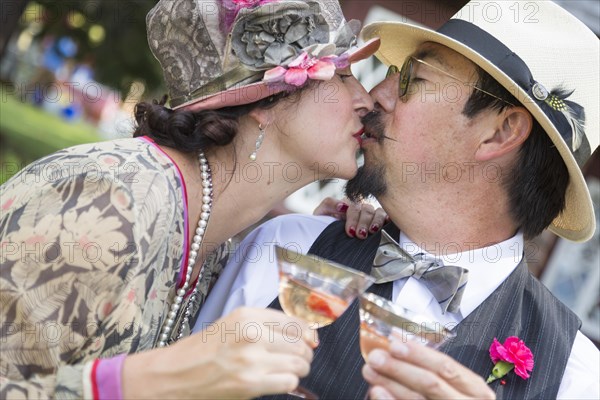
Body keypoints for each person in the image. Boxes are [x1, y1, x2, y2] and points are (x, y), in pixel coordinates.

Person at [210, 1, 600, 398]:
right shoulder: (289, 247)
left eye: (413, 78)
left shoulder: (575, 378)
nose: (376, 95)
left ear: (499, 133)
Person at [0, 0, 385, 398]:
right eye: (341, 76)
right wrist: (140, 383)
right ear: (265, 103)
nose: (366, 100)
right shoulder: (106, 202)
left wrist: (326, 241)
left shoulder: (212, 239)